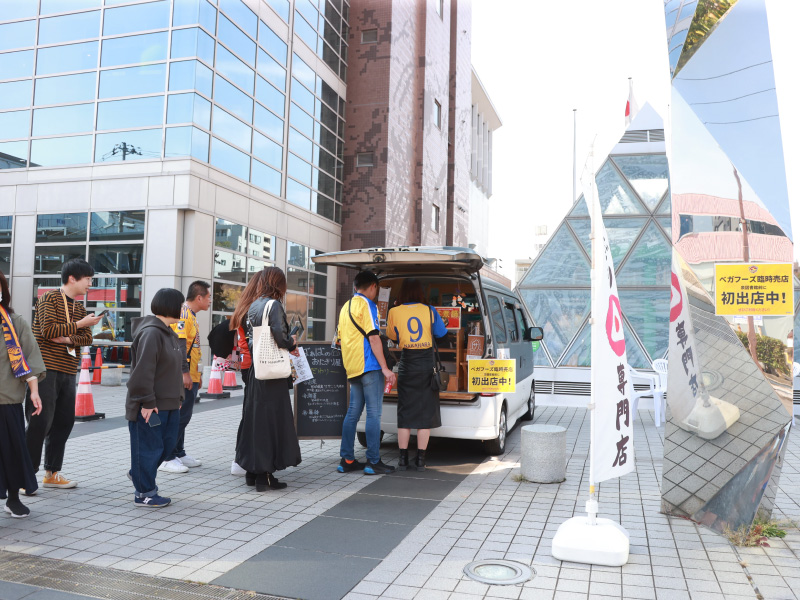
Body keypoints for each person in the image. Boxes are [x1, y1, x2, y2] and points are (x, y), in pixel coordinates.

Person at [25, 259, 102, 490]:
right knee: (40, 422)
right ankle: (24, 476)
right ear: (72, 278)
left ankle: (52, 473)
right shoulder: (49, 298)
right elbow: (48, 331)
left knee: (64, 422)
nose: (90, 284)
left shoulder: (79, 307)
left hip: (68, 369)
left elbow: (87, 338)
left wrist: (67, 337)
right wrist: (80, 324)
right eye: (88, 279)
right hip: (45, 369)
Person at [233, 267, 302, 492]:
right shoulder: (274, 305)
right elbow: (280, 337)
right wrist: (292, 342)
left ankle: (253, 472)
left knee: (257, 421)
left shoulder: (253, 305)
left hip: (257, 370)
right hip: (272, 373)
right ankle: (266, 475)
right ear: (278, 284)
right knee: (272, 422)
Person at [126, 288, 186, 508]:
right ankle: (144, 493)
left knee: (166, 446)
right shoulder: (152, 333)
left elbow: (171, 370)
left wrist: (179, 398)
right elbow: (143, 371)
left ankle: (139, 472)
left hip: (169, 404)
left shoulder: (168, 333)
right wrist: (147, 402)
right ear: (171, 306)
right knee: (149, 448)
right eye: (181, 305)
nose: (183, 309)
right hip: (151, 406)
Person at [337, 270, 397, 475]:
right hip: (369, 366)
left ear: (355, 287)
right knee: (373, 413)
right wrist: (385, 368)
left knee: (352, 413)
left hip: (352, 367)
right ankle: (373, 461)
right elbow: (373, 337)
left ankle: (347, 459)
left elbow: (339, 339)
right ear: (373, 286)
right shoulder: (368, 305)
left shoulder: (345, 307)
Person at [386, 279, 448, 471]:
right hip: (426, 365)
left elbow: (392, 337)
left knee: (405, 412)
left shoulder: (394, 311)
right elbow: (442, 336)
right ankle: (420, 460)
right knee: (425, 414)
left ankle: (402, 459)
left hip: (407, 364)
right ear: (420, 292)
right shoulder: (430, 310)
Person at [0, 271, 46, 517]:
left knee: (11, 452)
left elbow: (30, 358)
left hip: (7, 401)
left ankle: (13, 499)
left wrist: (34, 392)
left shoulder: (15, 322)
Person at [160, 281, 211, 473]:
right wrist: (185, 373)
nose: (210, 301)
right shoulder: (184, 314)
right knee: (180, 417)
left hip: (192, 373)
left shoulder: (192, 315)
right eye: (209, 297)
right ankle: (167, 457)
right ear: (199, 297)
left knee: (184, 416)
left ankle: (179, 452)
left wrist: (197, 374)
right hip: (183, 375)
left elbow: (192, 347)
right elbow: (180, 346)